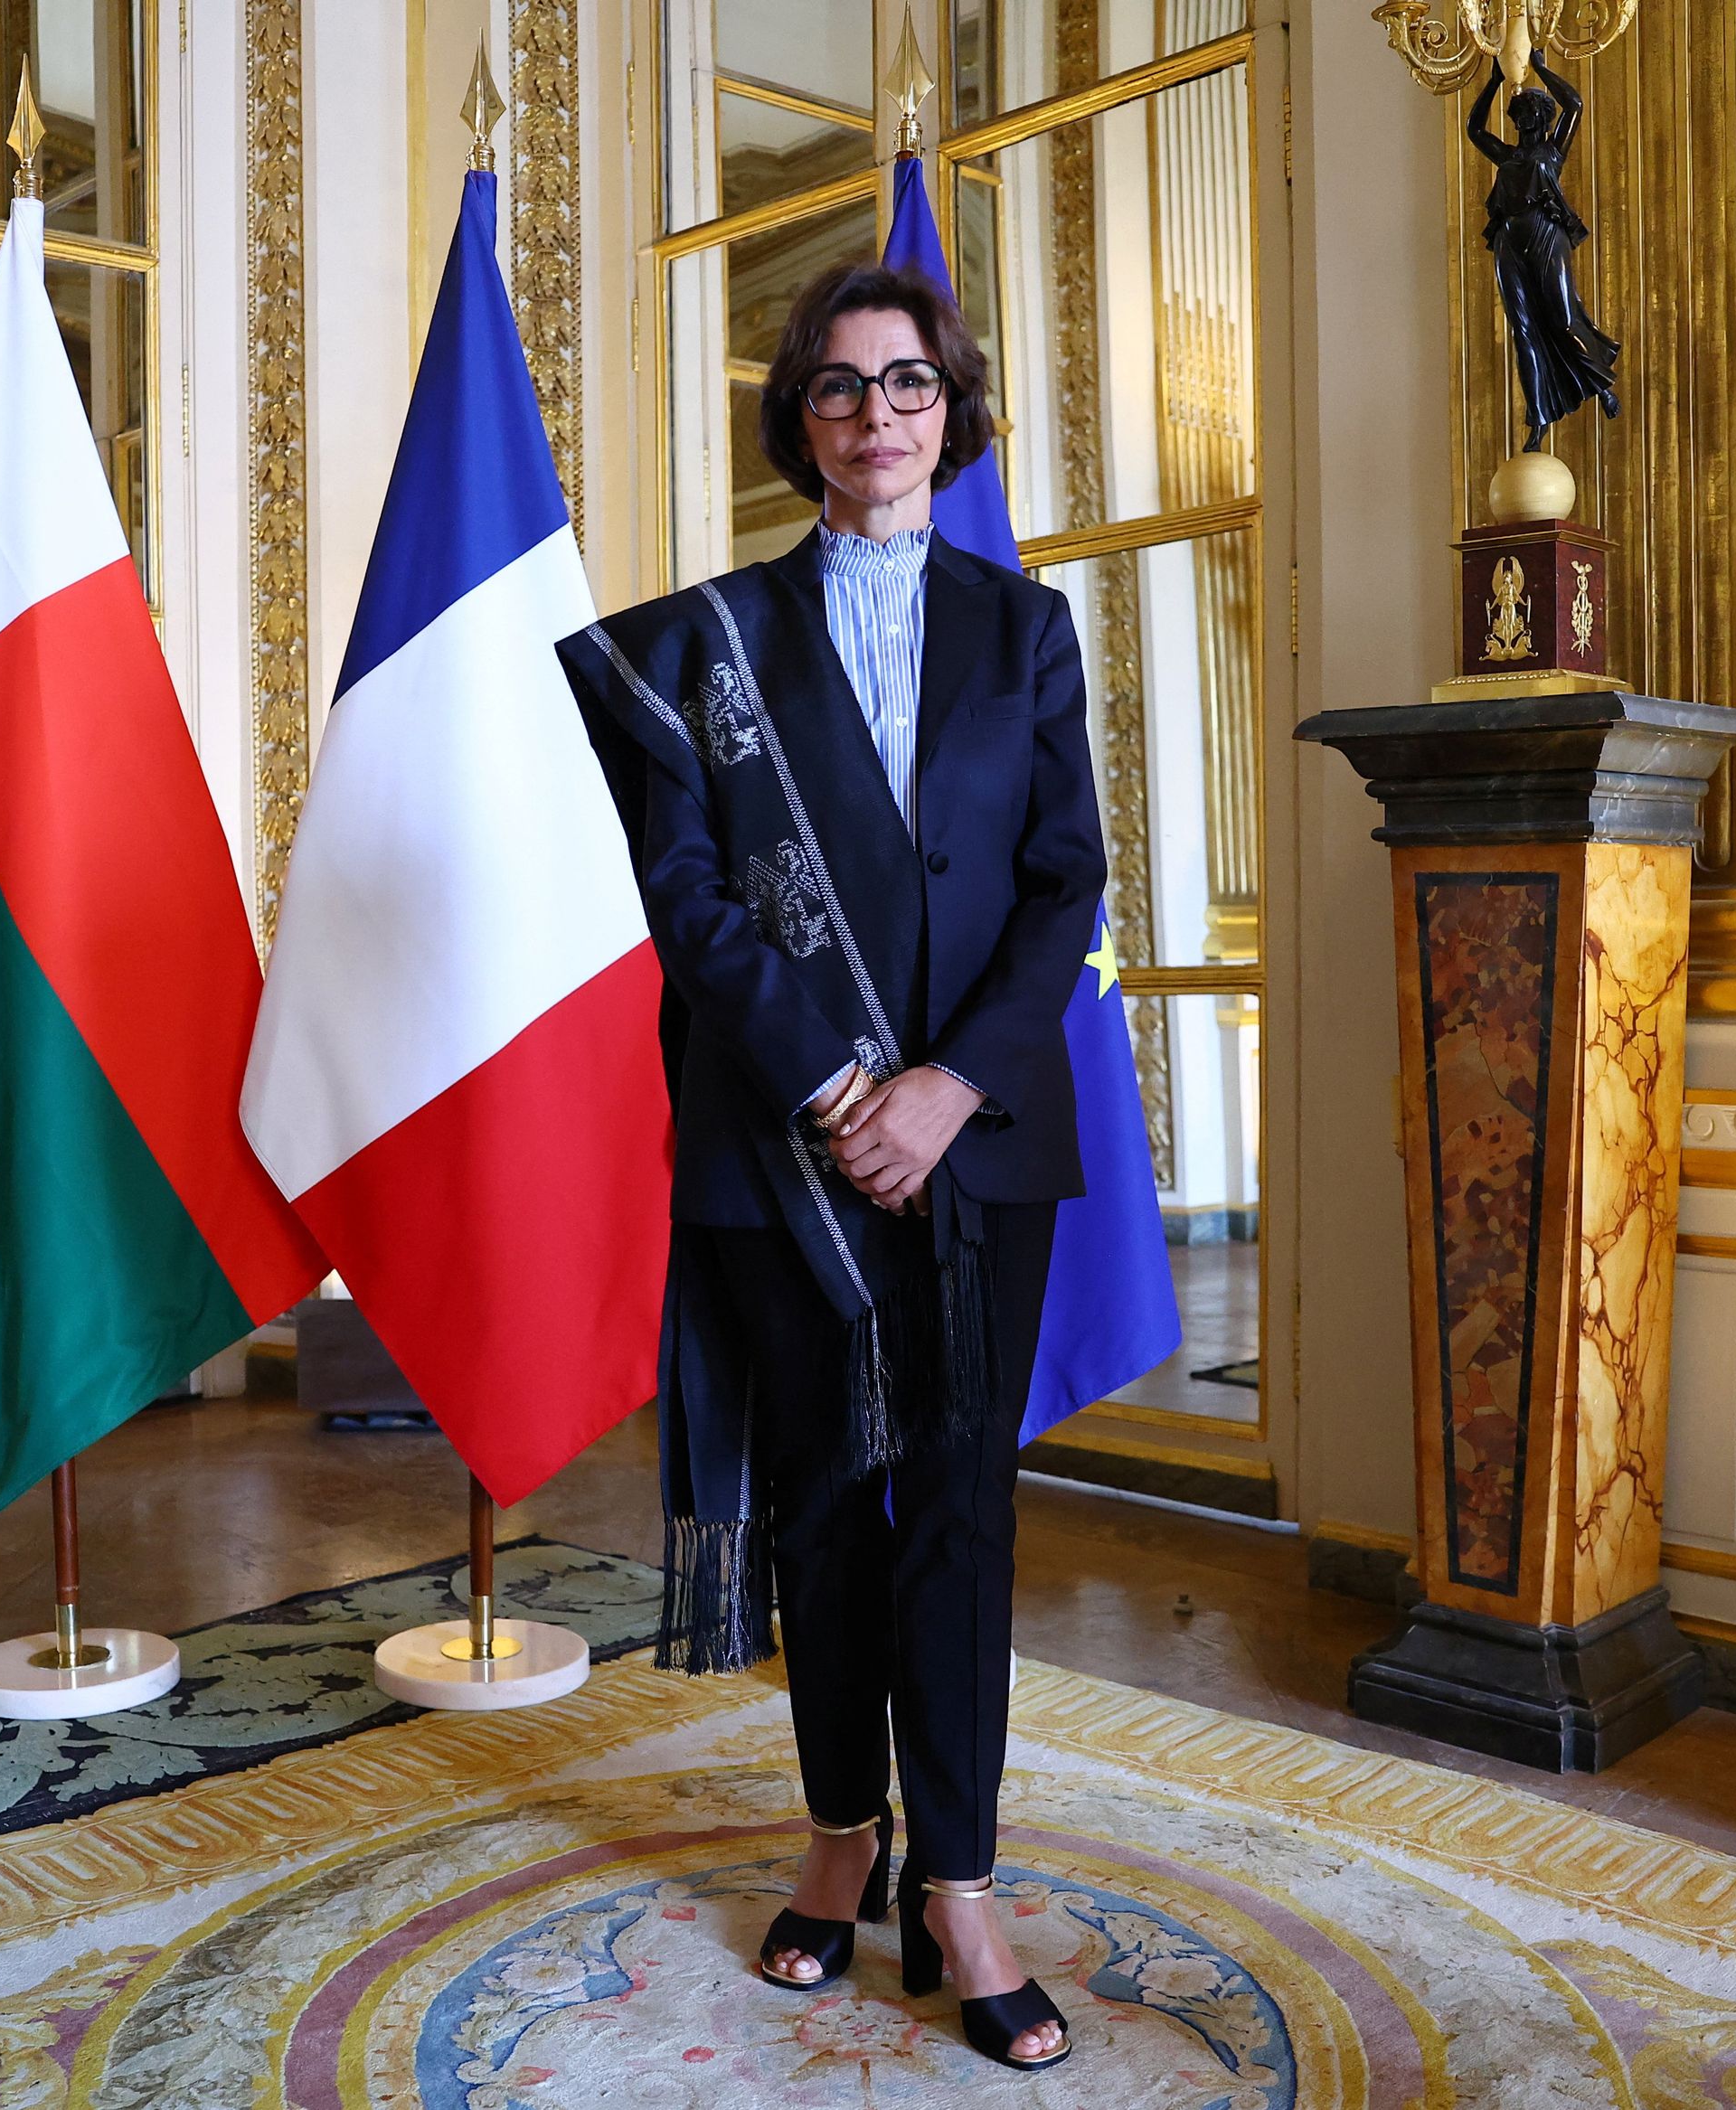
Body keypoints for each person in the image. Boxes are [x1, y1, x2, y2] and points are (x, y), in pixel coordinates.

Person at [559, 260, 1104, 2073]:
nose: (879, 413)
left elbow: (1064, 886)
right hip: (780, 1138)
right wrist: (834, 1082)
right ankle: (838, 1837)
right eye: (842, 385)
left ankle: (959, 1882)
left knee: (959, 1505)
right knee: (817, 1501)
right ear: (798, 418)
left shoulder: (1026, 631)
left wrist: (942, 1087)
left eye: (910, 381)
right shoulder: (705, 647)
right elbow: (686, 896)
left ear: (955, 410)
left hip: (979, 1138)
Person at [1468, 58, 1619, 451]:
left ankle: (1599, 384)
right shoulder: (1507, 157)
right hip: (1508, 241)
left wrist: (1538, 66)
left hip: (1546, 234)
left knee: (1564, 319)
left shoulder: (1553, 151)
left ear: (1543, 117)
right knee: (1523, 331)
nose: (1524, 118)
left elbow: (1575, 104)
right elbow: (1474, 129)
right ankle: (1537, 420)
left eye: (1532, 111)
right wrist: (1494, 81)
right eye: (1519, 113)